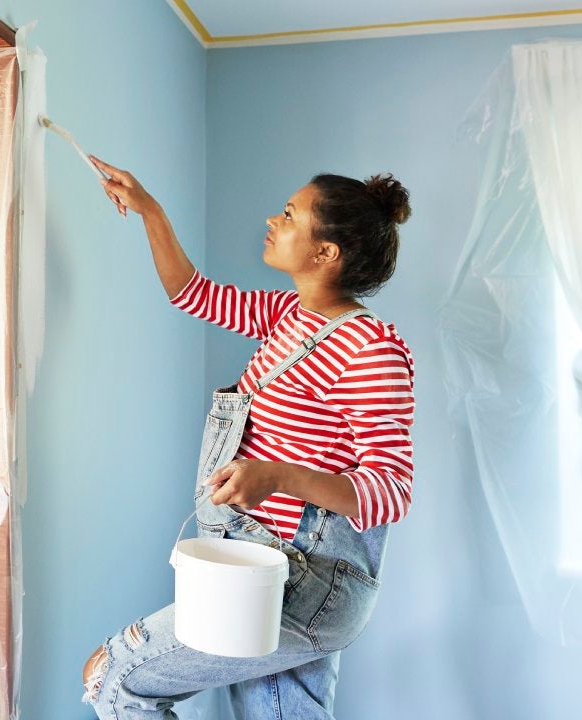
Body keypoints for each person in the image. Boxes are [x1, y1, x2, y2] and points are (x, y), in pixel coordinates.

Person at [80, 155, 416, 720]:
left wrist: (279, 476)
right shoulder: (292, 315)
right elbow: (193, 293)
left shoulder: (368, 349)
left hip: (304, 581)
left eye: (290, 215)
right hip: (262, 566)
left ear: (325, 253)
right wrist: (150, 211)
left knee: (115, 675)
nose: (273, 220)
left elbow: (391, 490)